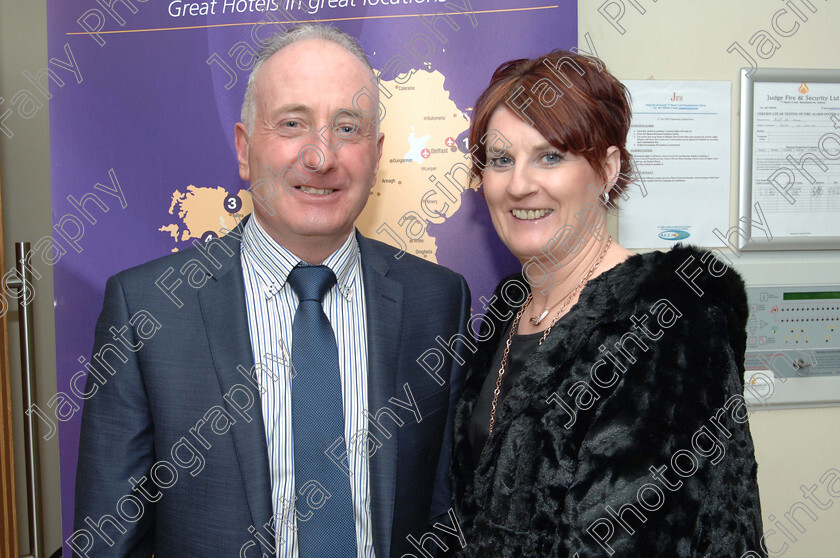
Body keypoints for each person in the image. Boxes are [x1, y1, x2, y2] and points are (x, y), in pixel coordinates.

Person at [73, 25, 471, 558]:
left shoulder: (439, 303)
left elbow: (450, 519)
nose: (321, 156)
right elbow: (108, 543)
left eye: (347, 128)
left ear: (376, 156)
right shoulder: (147, 312)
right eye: (292, 123)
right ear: (244, 149)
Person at [451, 50, 765, 557]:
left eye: (550, 156)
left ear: (607, 168)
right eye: (500, 159)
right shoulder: (507, 316)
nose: (519, 184)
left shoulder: (667, 319)